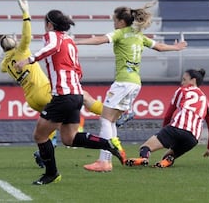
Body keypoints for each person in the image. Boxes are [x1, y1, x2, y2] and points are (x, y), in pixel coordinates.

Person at [0, 0, 105, 168]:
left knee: (51, 125)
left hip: (31, 99)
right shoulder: (21, 51)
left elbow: (3, 67)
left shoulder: (5, 64)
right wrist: (26, 13)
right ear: (13, 44)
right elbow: (27, 34)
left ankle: (44, 152)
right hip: (44, 91)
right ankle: (110, 116)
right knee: (81, 95)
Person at [15, 9, 126, 185]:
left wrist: (28, 60)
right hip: (76, 94)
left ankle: (51, 173)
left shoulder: (52, 36)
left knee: (39, 135)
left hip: (62, 95)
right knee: (69, 138)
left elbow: (51, 47)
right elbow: (78, 70)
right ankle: (106, 143)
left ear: (50, 24)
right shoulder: (70, 41)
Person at [75, 2, 188, 172]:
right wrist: (177, 47)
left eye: (115, 20)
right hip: (135, 83)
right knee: (111, 120)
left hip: (123, 82)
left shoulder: (120, 33)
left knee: (105, 119)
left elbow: (100, 40)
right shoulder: (139, 35)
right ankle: (106, 159)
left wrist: (76, 42)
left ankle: (104, 161)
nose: (113, 23)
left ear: (121, 21)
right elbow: (159, 47)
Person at [125, 68, 209, 167]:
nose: (182, 82)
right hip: (192, 138)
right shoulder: (206, 101)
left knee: (145, 147)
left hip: (176, 128)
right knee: (168, 157)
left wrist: (164, 131)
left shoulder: (182, 91)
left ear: (193, 81)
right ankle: (165, 162)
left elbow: (169, 114)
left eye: (184, 80)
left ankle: (144, 158)